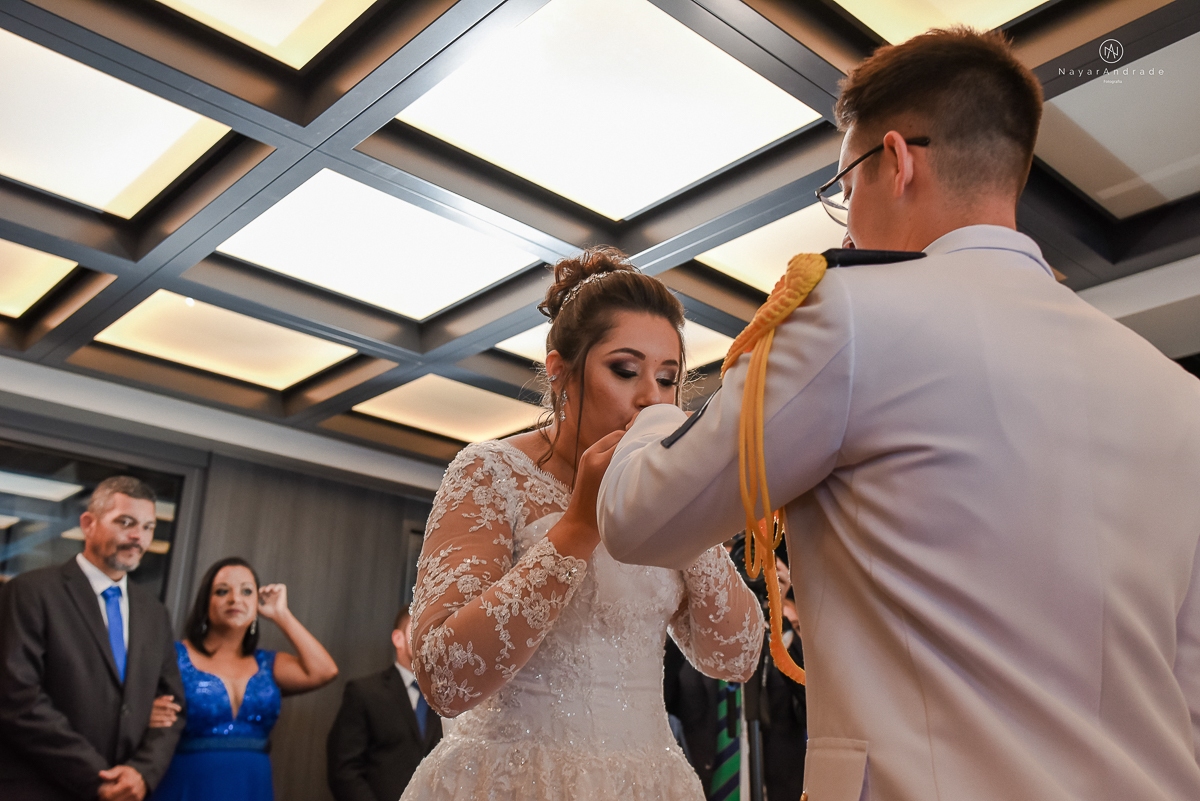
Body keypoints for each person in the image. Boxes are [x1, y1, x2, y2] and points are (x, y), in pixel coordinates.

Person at [598, 26, 1200, 801]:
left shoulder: (852, 315)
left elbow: (642, 520)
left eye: (845, 189)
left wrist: (652, 417)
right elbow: (1187, 684)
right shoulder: (1176, 394)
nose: (848, 223)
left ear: (896, 160)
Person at [401, 247, 765, 800]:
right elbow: (444, 678)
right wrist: (578, 526)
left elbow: (735, 657)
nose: (650, 398)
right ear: (560, 372)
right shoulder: (490, 472)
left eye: (668, 379)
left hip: (647, 782)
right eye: (625, 371)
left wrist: (685, 504)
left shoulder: (663, 494)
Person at [0, 475, 185, 801]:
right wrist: (98, 778)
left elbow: (172, 708)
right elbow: (19, 699)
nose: (138, 536)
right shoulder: (31, 592)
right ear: (88, 524)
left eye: (148, 527)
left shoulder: (155, 613)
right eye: (125, 522)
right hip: (39, 788)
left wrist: (142, 773)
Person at [149, 557, 338, 801]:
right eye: (222, 591)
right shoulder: (174, 656)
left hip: (251, 785)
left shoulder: (267, 663)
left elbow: (324, 671)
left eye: (246, 591)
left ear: (256, 603)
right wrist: (145, 714)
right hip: (186, 783)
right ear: (206, 602)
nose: (235, 599)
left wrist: (281, 614)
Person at [327, 605, 442, 801]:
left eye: (433, 630)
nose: (427, 637)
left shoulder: (448, 698)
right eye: (419, 628)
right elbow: (344, 770)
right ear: (398, 638)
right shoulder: (365, 692)